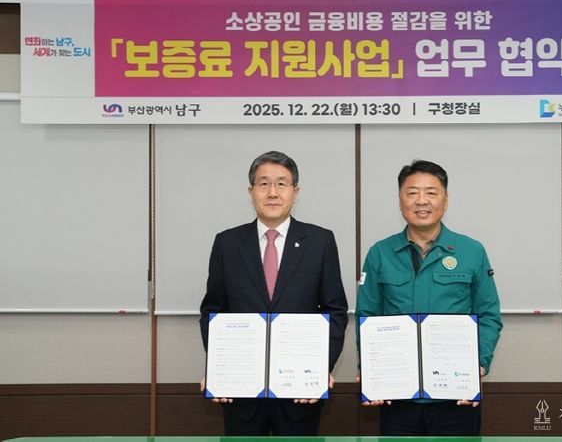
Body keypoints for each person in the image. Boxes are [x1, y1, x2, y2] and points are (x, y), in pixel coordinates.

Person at [199, 150, 348, 436]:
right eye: (263, 183)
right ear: (251, 191)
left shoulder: (320, 241)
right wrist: (219, 368)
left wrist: (319, 368)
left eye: (281, 184)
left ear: (295, 191)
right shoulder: (227, 243)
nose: (272, 192)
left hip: (300, 392)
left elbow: (335, 311)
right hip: (241, 391)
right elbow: (213, 311)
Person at [356, 159, 503, 436]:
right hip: (397, 396)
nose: (421, 201)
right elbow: (367, 316)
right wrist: (372, 371)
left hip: (456, 396)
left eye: (431, 193)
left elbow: (489, 315)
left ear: (445, 201)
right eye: (412, 193)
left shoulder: (471, 251)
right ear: (400, 200)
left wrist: (478, 365)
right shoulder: (380, 253)